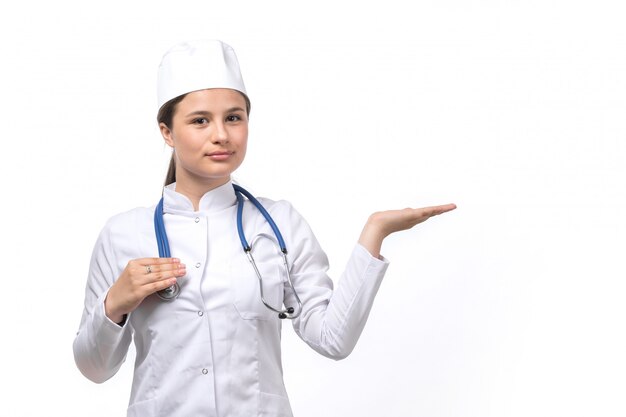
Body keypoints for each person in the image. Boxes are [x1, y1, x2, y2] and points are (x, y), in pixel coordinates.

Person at [73, 39, 456, 417]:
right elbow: (94, 368)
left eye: (234, 117)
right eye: (200, 120)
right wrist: (115, 304)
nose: (221, 134)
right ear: (167, 132)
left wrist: (374, 232)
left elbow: (332, 339)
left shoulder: (280, 223)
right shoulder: (124, 234)